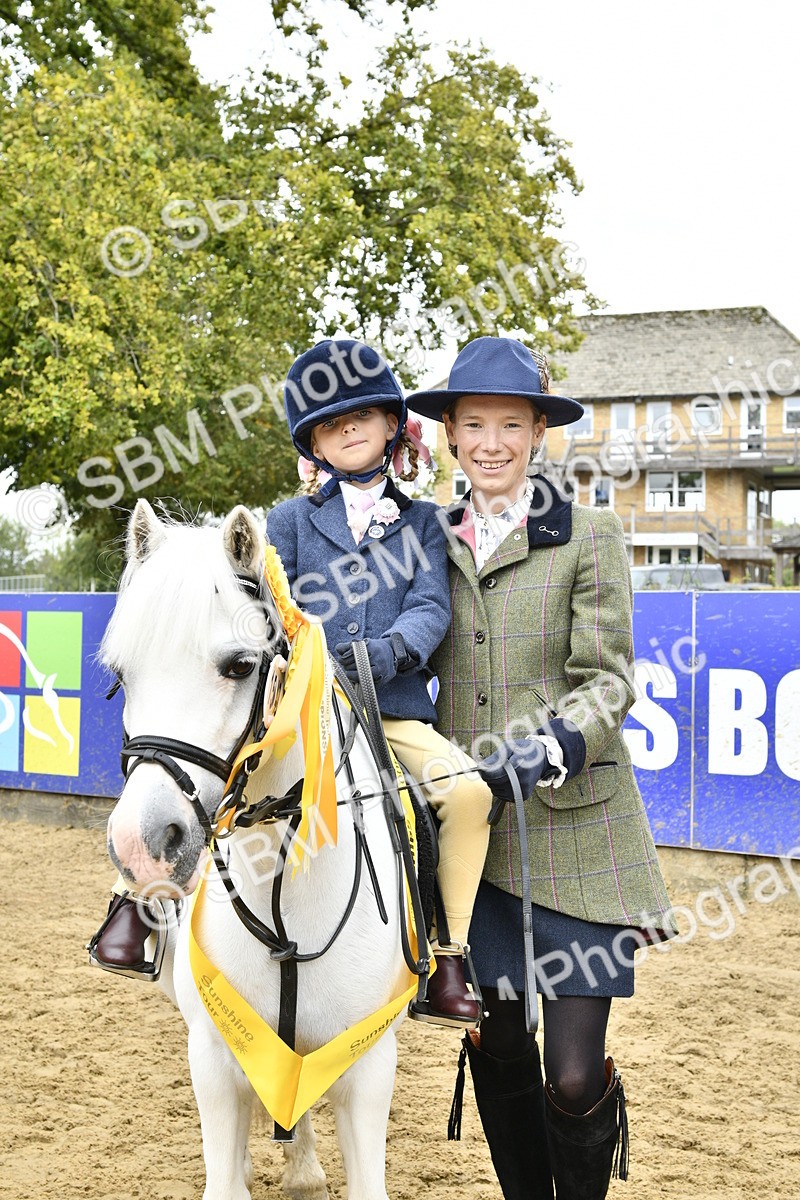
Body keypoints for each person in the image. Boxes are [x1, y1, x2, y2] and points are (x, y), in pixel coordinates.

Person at [406, 336, 677, 1199]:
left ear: (537, 434)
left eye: (510, 425)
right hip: (471, 846)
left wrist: (549, 749)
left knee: (569, 1072)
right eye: (474, 423)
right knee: (499, 1043)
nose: (491, 442)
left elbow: (608, 680)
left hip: (575, 833)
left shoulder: (590, 534)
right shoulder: (424, 541)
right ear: (449, 433)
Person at [265, 337, 494, 1028]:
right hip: (306, 708)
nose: (348, 428)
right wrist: (314, 656)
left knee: (469, 791)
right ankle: (140, 908)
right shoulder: (291, 520)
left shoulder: (425, 521)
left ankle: (446, 957)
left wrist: (387, 653)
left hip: (389, 711)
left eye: (361, 413)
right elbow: (276, 606)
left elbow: (432, 607)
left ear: (393, 423)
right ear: (315, 443)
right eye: (331, 423)